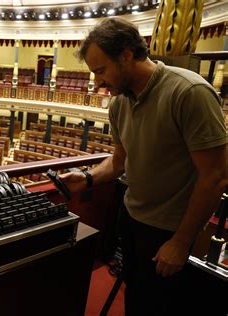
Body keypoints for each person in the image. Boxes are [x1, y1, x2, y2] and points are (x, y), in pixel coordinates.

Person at [60, 18, 226, 315]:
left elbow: (214, 177)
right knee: (135, 295)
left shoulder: (189, 92)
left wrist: (181, 241)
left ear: (126, 55)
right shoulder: (119, 103)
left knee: (157, 304)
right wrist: (86, 178)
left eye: (100, 71)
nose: (97, 82)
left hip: (169, 231)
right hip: (131, 216)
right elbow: (119, 161)